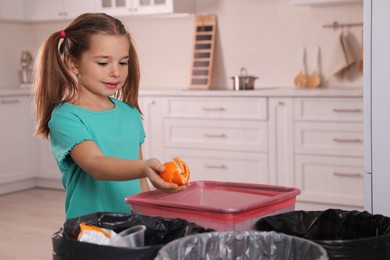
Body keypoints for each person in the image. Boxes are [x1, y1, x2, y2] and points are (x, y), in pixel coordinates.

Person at [33, 13, 187, 220]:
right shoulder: (66, 118)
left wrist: (150, 215)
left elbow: (140, 178)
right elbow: (96, 164)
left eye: (123, 63)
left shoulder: (130, 113)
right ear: (72, 63)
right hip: (90, 229)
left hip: (133, 224)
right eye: (103, 63)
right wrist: (144, 167)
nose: (116, 72)